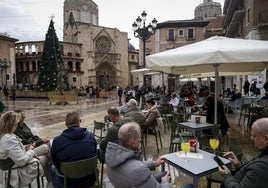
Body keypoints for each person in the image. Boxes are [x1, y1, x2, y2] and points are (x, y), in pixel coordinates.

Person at [105, 122, 172, 188]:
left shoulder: (112, 157)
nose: (141, 139)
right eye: (139, 137)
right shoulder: (140, 171)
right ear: (133, 143)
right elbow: (137, 169)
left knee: (164, 173)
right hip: (135, 180)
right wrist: (165, 183)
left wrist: (155, 163)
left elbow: (130, 167)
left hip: (126, 182)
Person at [50, 111, 97, 188]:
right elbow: (94, 153)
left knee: (52, 168)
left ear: (66, 124)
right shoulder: (91, 136)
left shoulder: (57, 140)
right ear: (79, 122)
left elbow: (55, 162)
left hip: (69, 182)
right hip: (90, 179)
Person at [218, 118, 268, 188]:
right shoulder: (264, 155)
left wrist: (226, 175)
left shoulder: (262, 166)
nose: (251, 138)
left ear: (266, 139)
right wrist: (239, 165)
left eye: (254, 136)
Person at [0, 111, 44, 188]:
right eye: (16, 123)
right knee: (45, 159)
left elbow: (11, 150)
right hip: (16, 172)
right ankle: (52, 181)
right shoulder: (9, 138)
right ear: (11, 124)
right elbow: (21, 161)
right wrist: (31, 151)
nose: (17, 126)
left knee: (45, 155)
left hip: (9, 169)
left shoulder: (3, 136)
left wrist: (24, 147)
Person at [13, 109, 52, 186]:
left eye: (24, 116)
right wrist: (39, 142)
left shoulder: (23, 125)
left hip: (32, 146)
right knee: (46, 147)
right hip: (27, 149)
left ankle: (50, 180)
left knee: (47, 145)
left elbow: (31, 136)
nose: (24, 118)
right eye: (22, 117)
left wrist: (40, 139)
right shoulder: (15, 129)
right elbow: (25, 143)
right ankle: (54, 169)